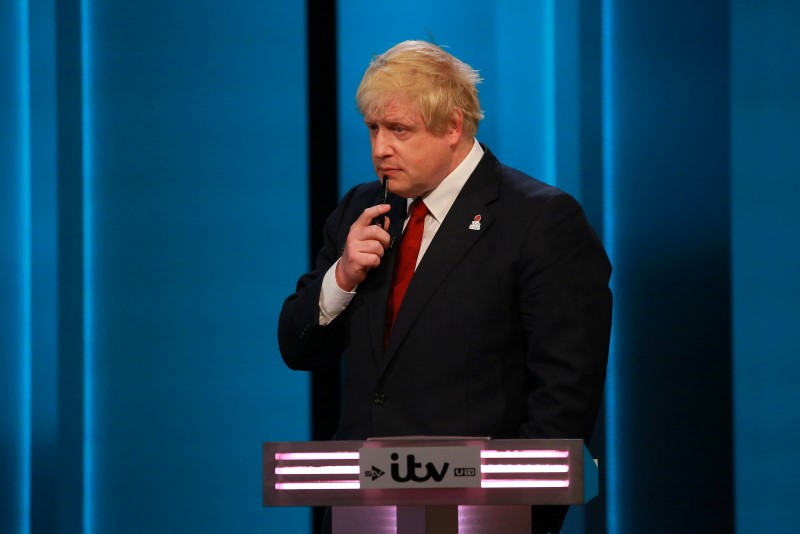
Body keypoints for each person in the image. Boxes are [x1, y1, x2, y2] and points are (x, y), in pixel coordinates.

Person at [278, 40, 612, 534]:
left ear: (453, 126)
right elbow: (296, 347)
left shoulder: (540, 220)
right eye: (373, 128)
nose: (379, 149)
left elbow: (565, 397)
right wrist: (341, 278)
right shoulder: (360, 210)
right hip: (361, 514)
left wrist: (522, 515)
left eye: (399, 130)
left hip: (483, 518)